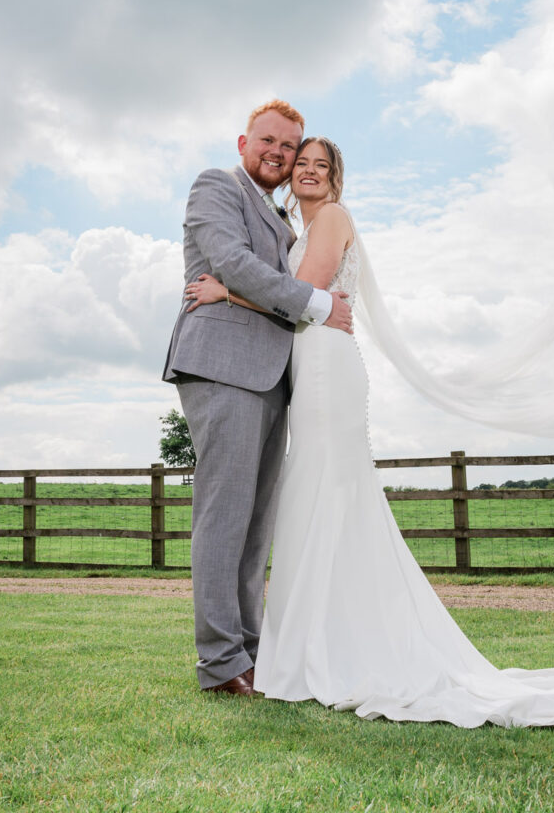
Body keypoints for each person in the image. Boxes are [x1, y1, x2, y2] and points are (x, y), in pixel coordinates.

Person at [182, 137, 554, 727]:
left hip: (324, 366)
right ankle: (306, 643)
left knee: (321, 495)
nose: (309, 172)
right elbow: (301, 294)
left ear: (337, 179)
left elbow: (305, 300)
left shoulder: (329, 220)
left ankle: (311, 650)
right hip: (312, 365)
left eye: (322, 166)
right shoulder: (302, 225)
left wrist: (228, 293)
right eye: (303, 164)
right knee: (319, 499)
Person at [162, 101, 353, 697]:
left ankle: (249, 652)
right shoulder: (216, 186)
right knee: (224, 517)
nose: (279, 152)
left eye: (289, 145)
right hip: (223, 366)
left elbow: (253, 280)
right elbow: (232, 263)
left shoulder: (286, 220)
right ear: (244, 141)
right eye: (268, 140)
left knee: (254, 526)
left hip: (275, 375)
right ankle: (220, 665)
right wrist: (317, 305)